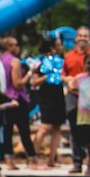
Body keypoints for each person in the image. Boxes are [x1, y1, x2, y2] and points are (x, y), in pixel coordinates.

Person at [63, 27, 90, 173]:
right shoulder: (68, 56)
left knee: (89, 129)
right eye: (80, 36)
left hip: (89, 96)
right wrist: (70, 80)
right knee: (74, 129)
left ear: (89, 39)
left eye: (86, 36)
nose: (83, 38)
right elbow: (63, 75)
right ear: (76, 38)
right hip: (73, 95)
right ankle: (77, 162)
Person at [0, 35, 39, 170]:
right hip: (18, 99)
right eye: (15, 45)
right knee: (24, 131)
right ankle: (32, 160)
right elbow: (18, 84)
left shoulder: (1, 59)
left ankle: (9, 161)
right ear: (9, 46)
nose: (18, 47)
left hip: (6, 98)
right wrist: (30, 73)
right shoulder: (15, 61)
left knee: (7, 131)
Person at [30, 37, 67, 169]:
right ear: (52, 48)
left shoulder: (60, 62)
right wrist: (49, 75)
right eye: (59, 45)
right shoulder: (41, 63)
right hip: (46, 96)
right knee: (45, 127)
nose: (61, 47)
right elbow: (34, 82)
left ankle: (51, 160)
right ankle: (33, 159)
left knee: (57, 128)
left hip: (58, 96)